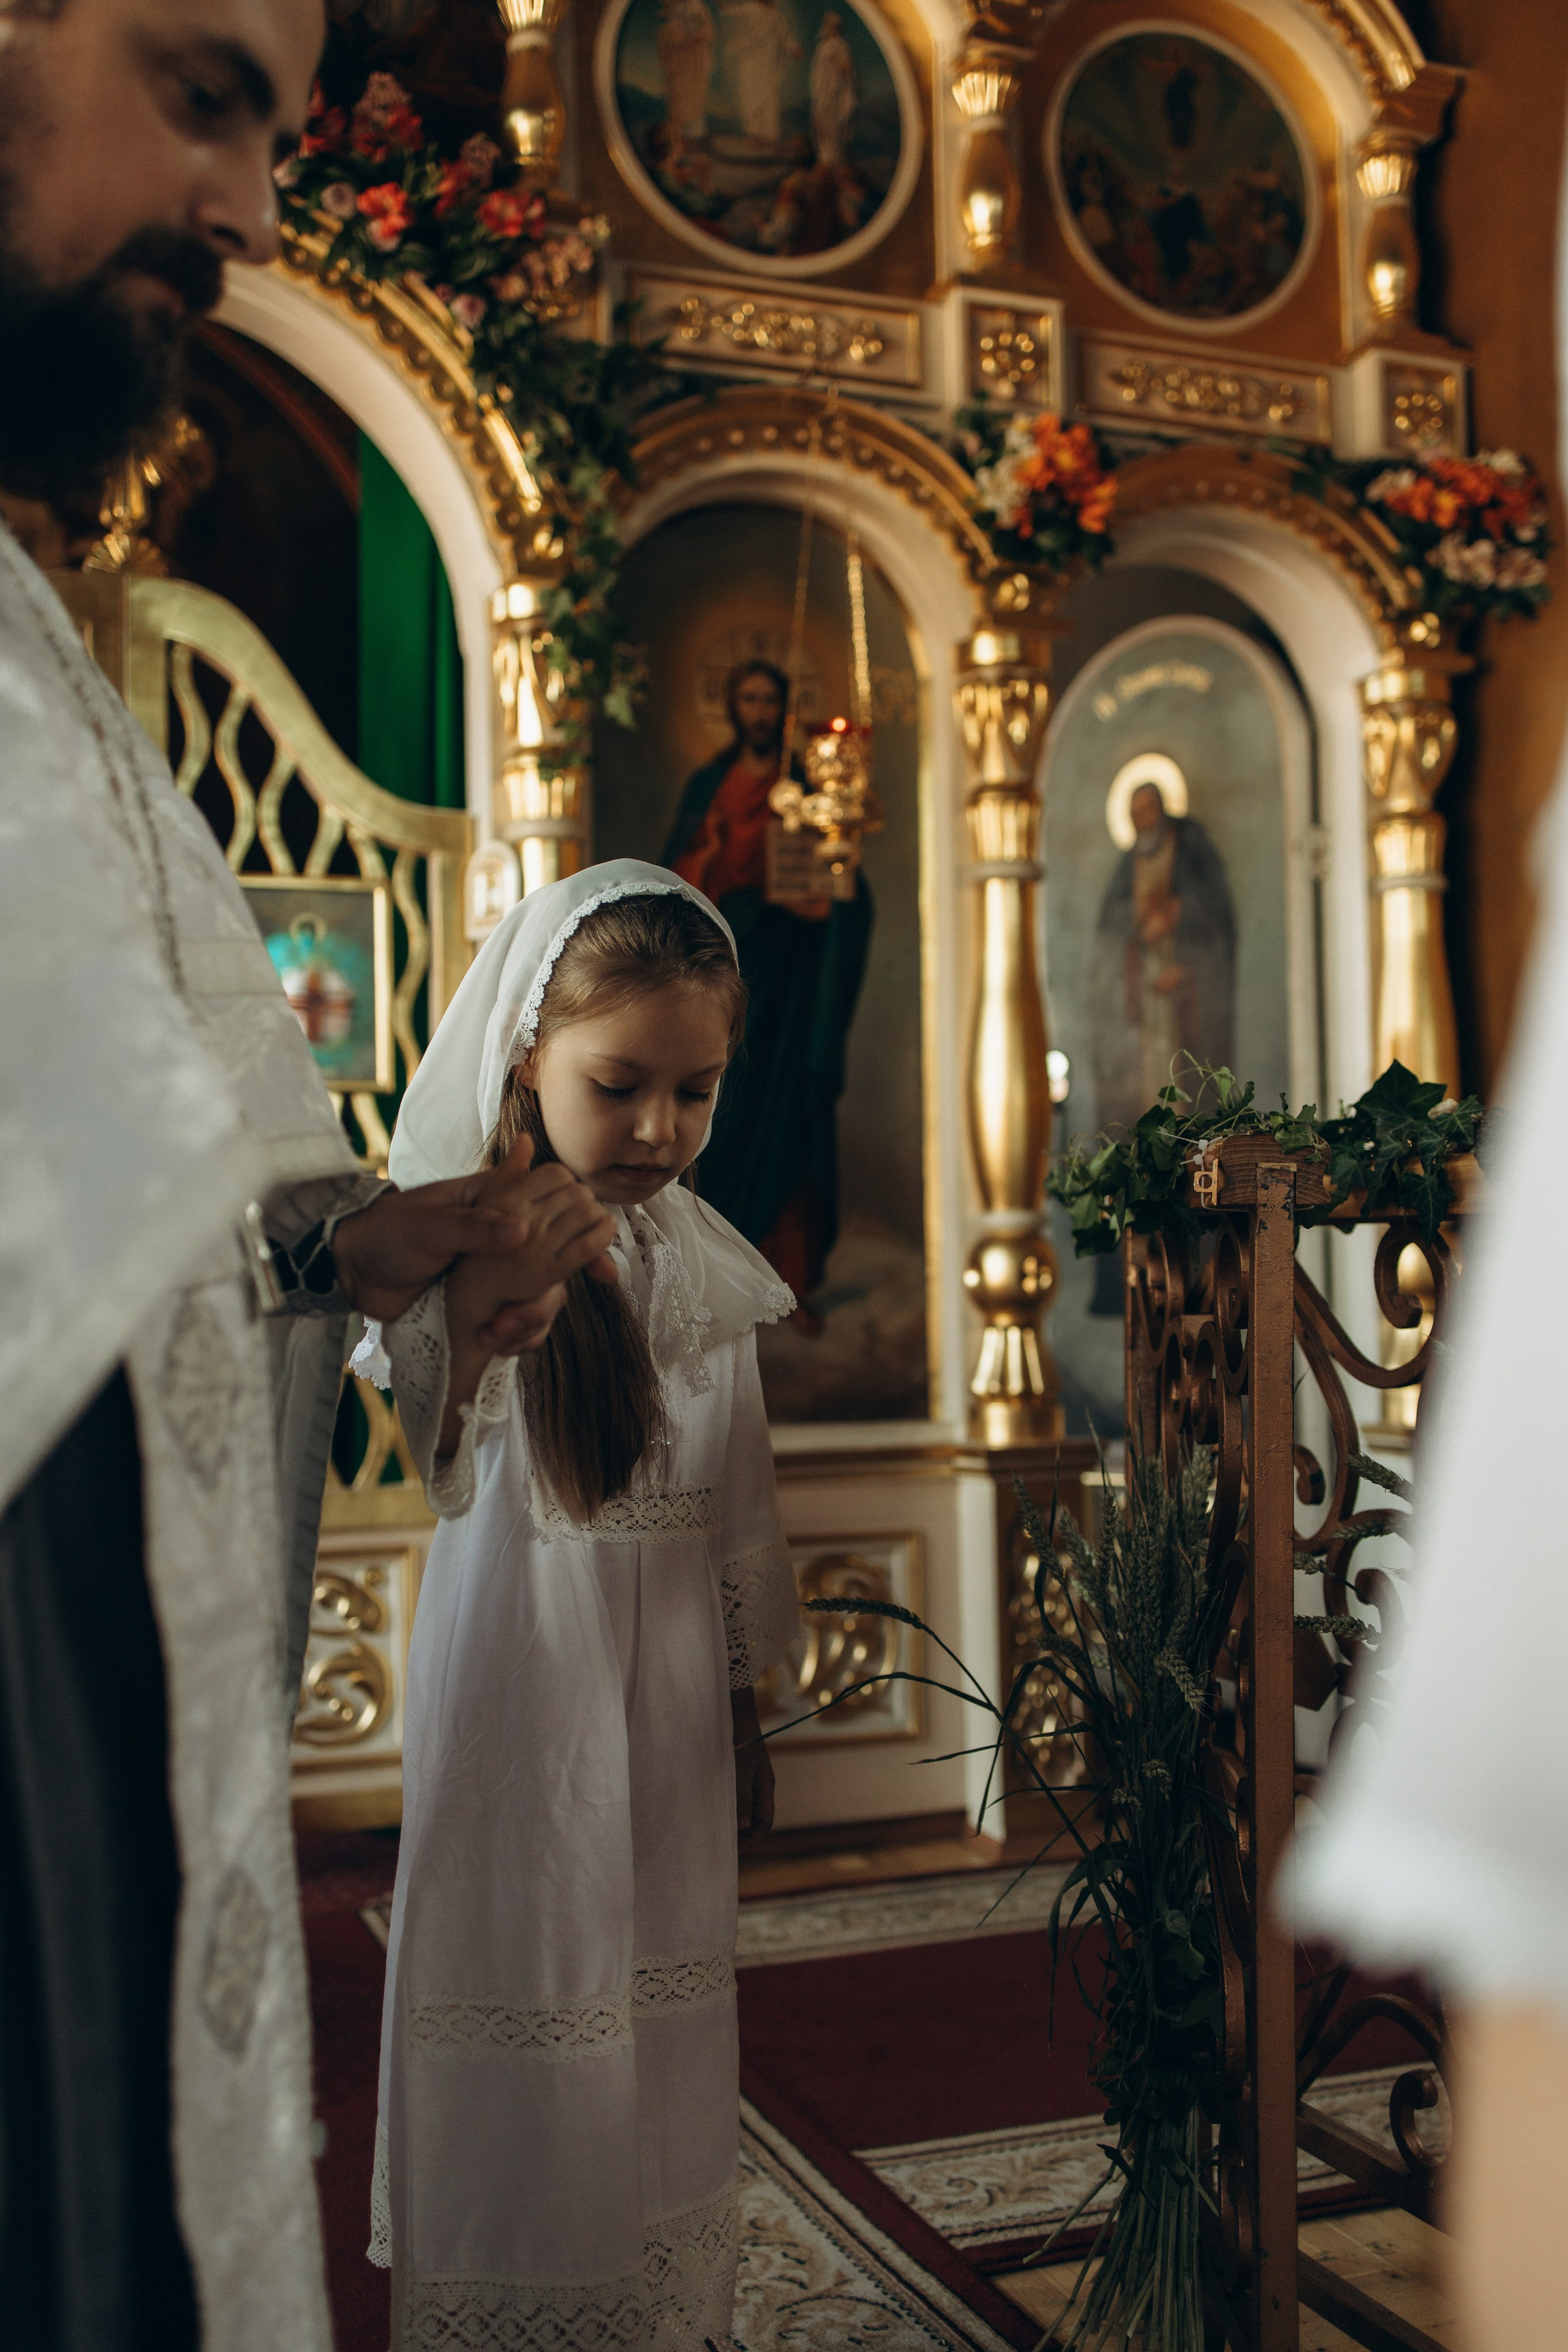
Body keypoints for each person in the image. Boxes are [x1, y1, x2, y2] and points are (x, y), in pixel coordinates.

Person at [0, 1, 614, 2343]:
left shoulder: (48, 665)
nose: (255, 211)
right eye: (202, 90)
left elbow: (171, 1186)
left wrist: (362, 1237)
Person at [361, 862, 801, 2346]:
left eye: (696, 1090)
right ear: (525, 1058)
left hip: (668, 1692)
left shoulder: (704, 1262)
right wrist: (486, 1329)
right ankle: (518, 2299)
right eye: (618, 1085)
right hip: (523, 1694)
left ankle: (646, 2303)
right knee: (533, 1970)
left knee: (658, 1978)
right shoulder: (462, 1249)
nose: (661, 1129)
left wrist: (743, 1696)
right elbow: (433, 1441)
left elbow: (736, 1495)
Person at [665, 658, 872, 1309]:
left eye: (767, 700)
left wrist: (827, 897)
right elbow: (674, 886)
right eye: (746, 698)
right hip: (727, 973)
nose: (756, 711)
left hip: (795, 981)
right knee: (726, 1112)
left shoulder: (811, 789)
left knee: (790, 1119)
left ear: (781, 711)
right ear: (732, 707)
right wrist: (713, 850)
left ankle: (792, 1281)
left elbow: (847, 888)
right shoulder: (710, 786)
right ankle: (716, 1275)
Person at [721, 0, 799, 146]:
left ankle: (769, 137)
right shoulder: (749, 8)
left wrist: (794, 48)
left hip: (768, 62)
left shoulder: (775, 15)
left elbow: (785, 35)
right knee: (750, 96)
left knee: (768, 98)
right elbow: (730, 11)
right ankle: (755, 136)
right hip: (751, 61)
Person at [657, 0, 715, 165]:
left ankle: (691, 147)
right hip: (679, 70)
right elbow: (669, 51)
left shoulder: (698, 9)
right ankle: (676, 147)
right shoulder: (669, 28)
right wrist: (686, 42)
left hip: (695, 66)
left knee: (694, 106)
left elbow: (707, 31)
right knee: (678, 107)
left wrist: (697, 38)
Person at [809, 9, 855, 168]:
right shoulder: (823, 46)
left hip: (834, 92)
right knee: (822, 128)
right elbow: (818, 71)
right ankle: (825, 163)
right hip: (823, 92)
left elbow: (847, 69)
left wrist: (837, 64)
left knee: (833, 130)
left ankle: (834, 165)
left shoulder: (841, 45)